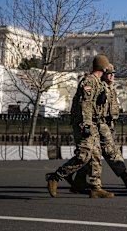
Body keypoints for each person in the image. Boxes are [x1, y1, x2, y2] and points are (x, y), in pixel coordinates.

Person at [45, 54, 113, 199]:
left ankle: (96, 187)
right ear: (104, 67)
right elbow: (85, 106)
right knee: (83, 155)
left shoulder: (99, 82)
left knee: (95, 156)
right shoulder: (89, 81)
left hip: (93, 124)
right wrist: (86, 126)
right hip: (85, 124)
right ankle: (55, 177)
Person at [70, 64, 127, 193]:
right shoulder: (97, 85)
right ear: (103, 73)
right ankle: (63, 175)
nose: (112, 76)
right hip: (98, 124)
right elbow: (88, 105)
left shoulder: (109, 86)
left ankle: (79, 180)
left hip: (104, 124)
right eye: (109, 73)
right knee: (97, 153)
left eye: (113, 73)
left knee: (104, 153)